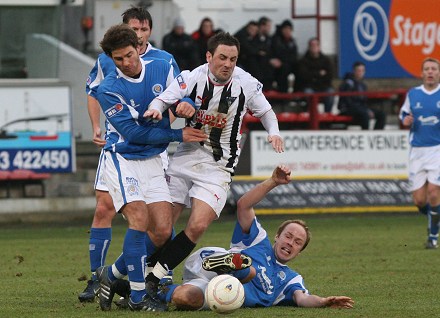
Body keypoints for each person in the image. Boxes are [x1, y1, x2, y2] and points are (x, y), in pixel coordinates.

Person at [140, 31, 284, 311]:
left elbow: (266, 112)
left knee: (197, 225)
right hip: (185, 158)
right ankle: (133, 274)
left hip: (218, 167)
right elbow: (165, 99)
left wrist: (274, 133)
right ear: (209, 57)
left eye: (232, 59)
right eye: (222, 57)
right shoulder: (192, 77)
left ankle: (151, 278)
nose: (227, 64)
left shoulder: (247, 83)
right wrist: (158, 109)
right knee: (161, 228)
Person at [111, 166, 354, 310]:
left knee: (188, 298)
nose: (290, 243)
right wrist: (272, 182)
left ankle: (138, 290)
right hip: (208, 262)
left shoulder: (291, 280)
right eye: (288, 236)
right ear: (277, 236)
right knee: (249, 271)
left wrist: (324, 301)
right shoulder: (257, 239)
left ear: (300, 251)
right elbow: (244, 205)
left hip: (221, 292)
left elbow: (303, 299)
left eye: (297, 242)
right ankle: (230, 265)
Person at [95, 24, 207, 312]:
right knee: (139, 220)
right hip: (123, 159)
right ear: (111, 58)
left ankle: (111, 274)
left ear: (139, 48)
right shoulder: (108, 88)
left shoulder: (162, 65)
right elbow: (133, 134)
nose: (126, 63)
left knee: (162, 231)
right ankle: (137, 295)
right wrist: (176, 134)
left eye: (130, 55)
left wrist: (184, 105)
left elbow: (183, 94)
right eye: (118, 59)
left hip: (154, 160)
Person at [79, 6, 180, 303]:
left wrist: (174, 121)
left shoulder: (163, 60)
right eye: (134, 28)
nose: (139, 34)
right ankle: (109, 282)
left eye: (143, 30)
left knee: (161, 225)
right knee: (110, 210)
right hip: (120, 150)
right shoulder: (107, 67)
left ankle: (143, 275)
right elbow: (93, 93)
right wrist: (96, 126)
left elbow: (180, 96)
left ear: (146, 35)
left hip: (155, 151)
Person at [399, 57, 440, 249]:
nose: (430, 72)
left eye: (434, 68)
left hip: (437, 149)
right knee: (420, 200)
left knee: (434, 192)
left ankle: (432, 238)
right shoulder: (413, 94)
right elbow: (403, 114)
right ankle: (435, 217)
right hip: (417, 151)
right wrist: (406, 120)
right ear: (422, 73)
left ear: (438, 73)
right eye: (427, 69)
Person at [338, 61, 386, 129]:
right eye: (358, 70)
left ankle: (376, 135)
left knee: (381, 115)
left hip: (361, 109)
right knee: (365, 115)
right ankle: (365, 136)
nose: (360, 73)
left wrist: (367, 109)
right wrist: (365, 110)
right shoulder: (348, 84)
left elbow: (364, 101)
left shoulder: (363, 85)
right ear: (354, 71)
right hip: (348, 109)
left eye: (362, 70)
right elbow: (348, 102)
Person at [296, 38, 334, 112]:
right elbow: (303, 76)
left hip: (323, 86)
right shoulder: (303, 61)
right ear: (309, 47)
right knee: (309, 93)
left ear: (319, 47)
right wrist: (319, 74)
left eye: (316, 45)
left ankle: (327, 114)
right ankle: (314, 115)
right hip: (309, 86)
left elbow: (329, 75)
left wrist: (312, 75)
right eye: (312, 45)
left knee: (330, 92)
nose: (314, 47)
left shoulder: (326, 60)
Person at [246, 16, 280, 91]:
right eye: (268, 26)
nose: (269, 28)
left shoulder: (269, 39)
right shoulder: (253, 38)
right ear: (262, 26)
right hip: (256, 67)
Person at [271, 19, 298, 93]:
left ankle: (297, 93)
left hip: (289, 63)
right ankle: (283, 94)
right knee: (283, 71)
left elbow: (294, 56)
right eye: (285, 29)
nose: (287, 31)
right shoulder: (276, 40)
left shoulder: (292, 41)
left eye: (289, 29)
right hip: (280, 65)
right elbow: (277, 53)